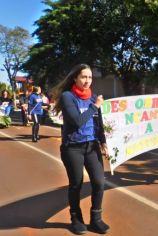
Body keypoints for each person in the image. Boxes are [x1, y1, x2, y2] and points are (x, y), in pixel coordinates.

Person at [52, 64, 109, 234]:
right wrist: (95, 106)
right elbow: (77, 121)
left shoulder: (93, 98)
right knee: (76, 184)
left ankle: (96, 219)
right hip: (73, 148)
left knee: (99, 182)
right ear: (75, 78)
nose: (87, 81)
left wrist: (104, 141)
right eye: (84, 77)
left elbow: (98, 123)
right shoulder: (67, 97)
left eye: (90, 77)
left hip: (92, 146)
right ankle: (76, 219)